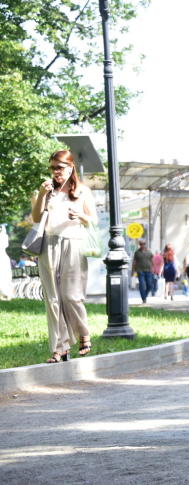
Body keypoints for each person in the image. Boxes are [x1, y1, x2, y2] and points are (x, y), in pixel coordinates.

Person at [32, 150, 97, 363]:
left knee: (71, 296)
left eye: (59, 167)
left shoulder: (82, 191)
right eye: (52, 168)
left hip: (74, 244)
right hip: (49, 245)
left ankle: (83, 332)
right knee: (53, 299)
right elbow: (35, 218)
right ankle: (59, 348)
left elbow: (93, 220)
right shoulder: (45, 190)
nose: (55, 172)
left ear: (70, 168)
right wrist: (42, 194)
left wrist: (81, 216)